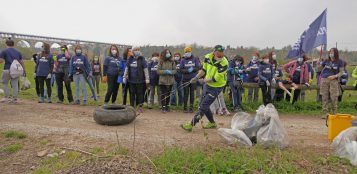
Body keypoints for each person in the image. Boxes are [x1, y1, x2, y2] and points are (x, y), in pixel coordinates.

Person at [181, 45, 228, 131]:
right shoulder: (207, 57)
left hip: (217, 86)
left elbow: (215, 79)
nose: (220, 55)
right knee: (203, 104)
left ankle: (191, 124)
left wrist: (203, 81)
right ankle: (212, 123)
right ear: (214, 52)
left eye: (221, 53)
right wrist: (196, 78)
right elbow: (204, 70)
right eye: (218, 53)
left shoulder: (224, 63)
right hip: (207, 84)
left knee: (203, 106)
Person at [318, 48, 344, 119]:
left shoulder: (340, 61)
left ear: (335, 52)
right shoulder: (326, 61)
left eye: (332, 52)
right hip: (324, 80)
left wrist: (334, 76)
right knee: (324, 97)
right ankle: (325, 113)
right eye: (330, 52)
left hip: (334, 81)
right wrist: (319, 64)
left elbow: (341, 72)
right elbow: (319, 69)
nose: (330, 53)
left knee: (334, 97)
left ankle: (334, 113)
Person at [123, 47, 149, 113]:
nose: (137, 51)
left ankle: (140, 106)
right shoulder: (130, 59)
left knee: (140, 94)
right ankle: (132, 106)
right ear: (133, 51)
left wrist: (147, 78)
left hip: (140, 80)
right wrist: (124, 76)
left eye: (138, 50)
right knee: (132, 93)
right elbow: (127, 68)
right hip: (131, 80)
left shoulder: (142, 59)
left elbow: (145, 69)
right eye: (135, 50)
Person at [0, 38, 26, 103]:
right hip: (16, 70)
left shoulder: (4, 51)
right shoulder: (18, 52)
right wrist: (24, 70)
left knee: (4, 82)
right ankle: (14, 99)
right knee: (15, 84)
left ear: (6, 44)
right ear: (13, 44)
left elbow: (1, 60)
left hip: (7, 68)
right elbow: (21, 61)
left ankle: (6, 97)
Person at [180, 47, 200, 113]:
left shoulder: (195, 59)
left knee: (192, 94)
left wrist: (192, 69)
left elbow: (197, 67)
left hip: (193, 79)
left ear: (191, 52)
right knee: (185, 94)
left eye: (188, 51)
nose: (187, 53)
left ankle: (191, 108)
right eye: (186, 52)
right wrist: (187, 71)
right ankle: (185, 108)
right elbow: (181, 69)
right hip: (185, 79)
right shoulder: (183, 60)